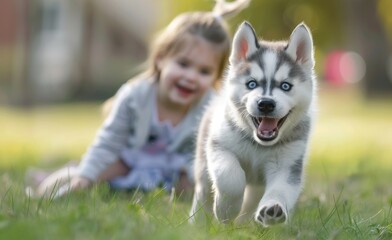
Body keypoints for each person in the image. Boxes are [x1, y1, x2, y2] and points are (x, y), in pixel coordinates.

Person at [28, 0, 250, 198]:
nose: (191, 77)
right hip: (129, 161)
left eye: (204, 71)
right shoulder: (135, 95)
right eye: (183, 64)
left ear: (216, 77)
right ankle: (45, 189)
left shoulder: (211, 105)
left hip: (175, 170)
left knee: (201, 184)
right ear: (161, 59)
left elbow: (210, 150)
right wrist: (86, 176)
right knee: (84, 174)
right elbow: (108, 142)